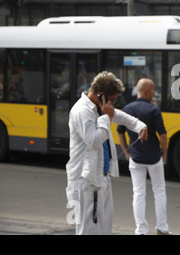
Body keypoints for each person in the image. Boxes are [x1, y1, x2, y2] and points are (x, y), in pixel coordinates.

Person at [66, 71, 148, 235]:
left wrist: (140, 126)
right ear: (101, 95)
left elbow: (120, 116)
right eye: (112, 100)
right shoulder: (82, 111)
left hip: (101, 177)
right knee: (89, 230)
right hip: (86, 181)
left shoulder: (99, 108)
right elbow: (94, 140)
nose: (113, 105)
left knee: (104, 229)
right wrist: (106, 118)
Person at [117, 78, 171, 235]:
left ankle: (141, 231)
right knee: (159, 191)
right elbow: (163, 135)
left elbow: (120, 131)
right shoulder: (153, 110)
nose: (154, 93)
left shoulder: (126, 108)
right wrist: (164, 152)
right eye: (153, 90)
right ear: (146, 91)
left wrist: (126, 152)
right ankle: (162, 228)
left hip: (135, 159)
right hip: (154, 158)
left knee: (138, 193)